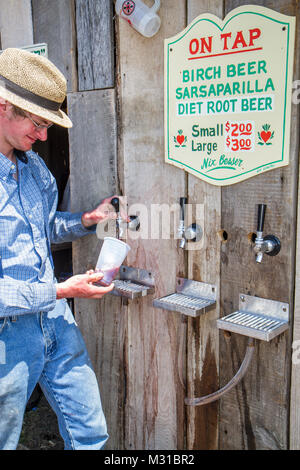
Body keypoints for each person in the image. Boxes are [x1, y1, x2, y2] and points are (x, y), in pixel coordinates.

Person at [0, 48, 125, 450]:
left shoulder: (33, 167)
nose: (44, 135)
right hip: (8, 335)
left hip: (53, 319)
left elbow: (42, 229)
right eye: (37, 123)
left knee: (90, 434)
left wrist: (86, 221)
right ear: (4, 107)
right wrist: (63, 290)